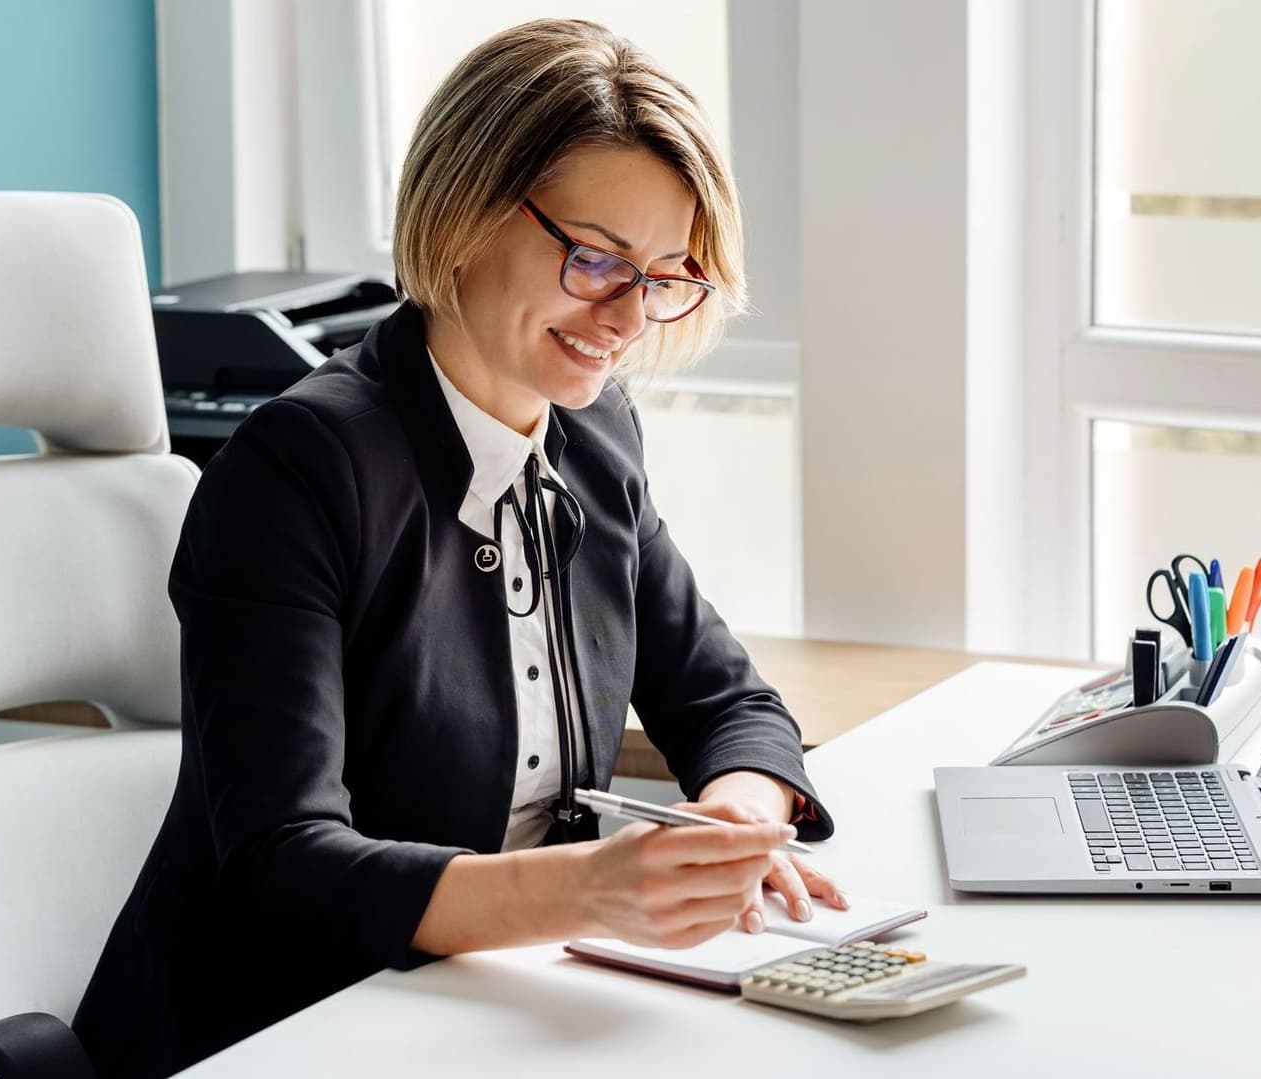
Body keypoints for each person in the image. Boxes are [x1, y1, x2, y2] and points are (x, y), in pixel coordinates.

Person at [73, 19, 839, 1078]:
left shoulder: (594, 433)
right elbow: (283, 865)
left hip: (489, 1005)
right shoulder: (300, 467)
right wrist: (597, 887)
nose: (627, 316)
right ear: (471, 212)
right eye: (595, 259)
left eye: (666, 275)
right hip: (283, 1028)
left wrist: (733, 823)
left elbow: (727, 700)